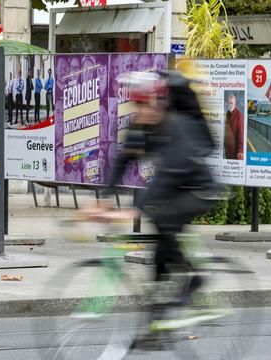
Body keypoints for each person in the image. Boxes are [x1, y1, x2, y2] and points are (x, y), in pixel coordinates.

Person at [100, 71, 217, 324]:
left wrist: (136, 209)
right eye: (138, 104)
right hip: (174, 187)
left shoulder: (177, 127)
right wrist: (104, 197)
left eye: (147, 103)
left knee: (164, 219)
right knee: (159, 252)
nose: (142, 110)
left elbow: (166, 176)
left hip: (199, 188)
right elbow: (123, 159)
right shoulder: (140, 126)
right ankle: (157, 317)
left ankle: (193, 277)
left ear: (159, 102)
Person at [224, 93, 244, 160]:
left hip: (234, 151)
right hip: (227, 149)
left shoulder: (239, 115)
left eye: (231, 103)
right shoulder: (227, 114)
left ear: (235, 103)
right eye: (228, 103)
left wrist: (240, 151)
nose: (230, 105)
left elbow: (240, 134)